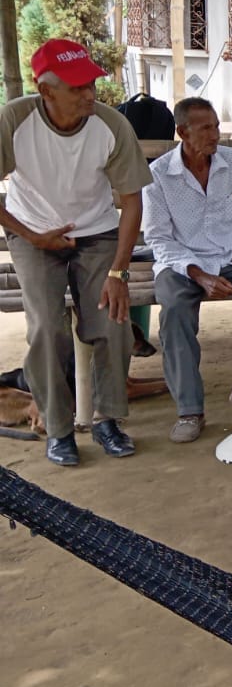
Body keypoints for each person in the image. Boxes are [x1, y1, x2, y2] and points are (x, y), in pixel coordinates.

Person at [0, 39, 151, 466]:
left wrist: (119, 273)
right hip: (33, 234)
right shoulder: (14, 120)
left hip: (97, 234)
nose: (89, 94)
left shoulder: (110, 124)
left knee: (112, 320)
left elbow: (131, 201)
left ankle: (107, 420)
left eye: (91, 84)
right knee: (47, 329)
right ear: (45, 90)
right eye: (77, 87)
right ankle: (58, 427)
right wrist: (31, 235)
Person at [141, 97, 232, 443]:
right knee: (174, 312)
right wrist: (198, 273)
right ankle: (189, 410)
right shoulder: (158, 175)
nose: (215, 135)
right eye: (206, 128)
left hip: (231, 256)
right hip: (180, 263)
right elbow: (158, 238)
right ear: (182, 132)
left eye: (217, 126)